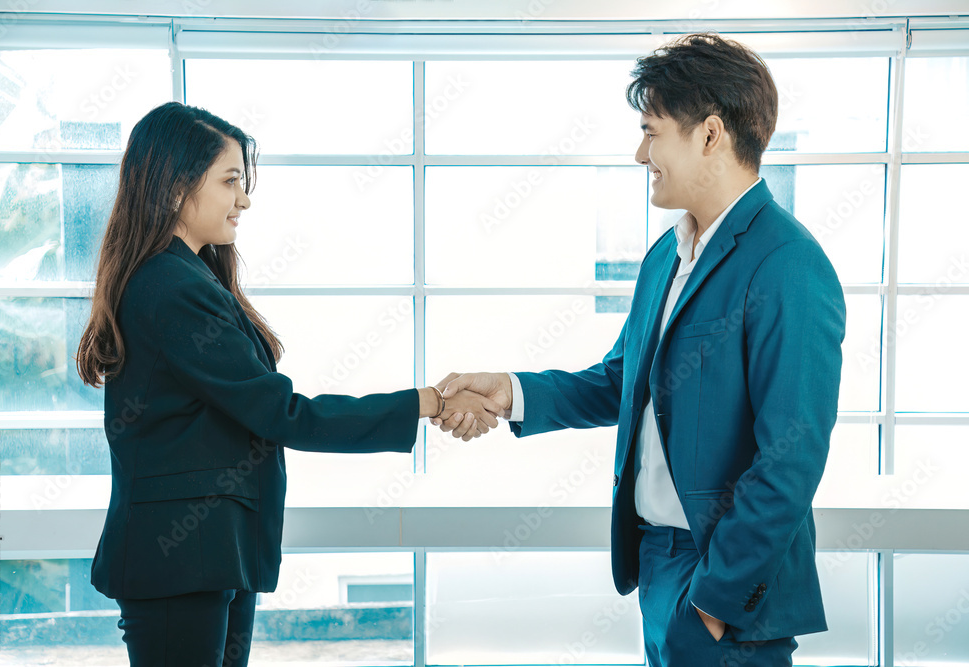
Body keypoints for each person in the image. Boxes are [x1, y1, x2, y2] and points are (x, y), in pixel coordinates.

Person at [439, 33, 846, 666]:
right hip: (658, 564)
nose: (640, 153)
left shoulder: (789, 265)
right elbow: (623, 381)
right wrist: (511, 391)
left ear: (709, 135)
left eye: (651, 131)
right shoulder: (666, 255)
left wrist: (711, 605)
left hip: (723, 591)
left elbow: (791, 459)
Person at [75, 101, 498, 667]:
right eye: (230, 182)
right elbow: (282, 413)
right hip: (181, 561)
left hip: (208, 555)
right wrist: (428, 402)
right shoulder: (171, 286)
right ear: (176, 186)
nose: (244, 200)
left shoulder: (185, 275)